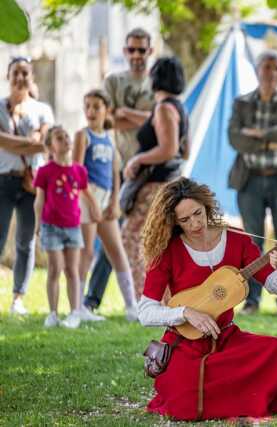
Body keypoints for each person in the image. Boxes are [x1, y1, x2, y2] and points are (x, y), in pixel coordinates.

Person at [138, 177, 277, 420]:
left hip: (227, 339)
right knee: (185, 404)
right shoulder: (168, 250)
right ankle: (236, 397)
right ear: (174, 222)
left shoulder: (237, 239)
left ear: (206, 206)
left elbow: (276, 287)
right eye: (185, 220)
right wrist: (185, 313)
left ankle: (228, 396)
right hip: (185, 343)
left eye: (198, 213)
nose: (195, 223)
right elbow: (145, 311)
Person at [84, 27, 155, 312]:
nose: (136, 55)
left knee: (142, 235)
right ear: (125, 51)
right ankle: (92, 299)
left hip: (149, 168)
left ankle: (145, 299)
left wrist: (128, 114)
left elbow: (160, 120)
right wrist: (141, 118)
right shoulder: (113, 81)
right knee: (112, 231)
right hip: (117, 166)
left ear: (150, 51)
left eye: (142, 49)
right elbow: (105, 119)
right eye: (132, 49)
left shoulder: (156, 83)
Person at [228, 49, 277, 318]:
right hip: (249, 181)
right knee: (251, 243)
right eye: (266, 67)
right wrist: (272, 140)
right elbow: (235, 138)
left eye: (275, 68)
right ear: (258, 70)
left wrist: (256, 135)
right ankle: (252, 300)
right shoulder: (242, 102)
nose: (270, 73)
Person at [121, 56, 189, 299]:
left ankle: (148, 298)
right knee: (162, 244)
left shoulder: (164, 109)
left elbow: (169, 148)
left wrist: (137, 159)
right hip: (171, 182)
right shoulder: (178, 108)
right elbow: (185, 150)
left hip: (156, 186)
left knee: (131, 237)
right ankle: (167, 299)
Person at [72, 89, 137, 321]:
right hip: (88, 196)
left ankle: (132, 307)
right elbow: (77, 173)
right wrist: (92, 203)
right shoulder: (83, 135)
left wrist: (114, 202)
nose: (91, 111)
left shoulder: (110, 137)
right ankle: (78, 307)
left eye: (96, 107)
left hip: (107, 199)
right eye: (87, 106)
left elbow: (115, 171)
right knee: (87, 251)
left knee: (117, 251)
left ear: (106, 110)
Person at [0, 56, 54, 315]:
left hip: (32, 182)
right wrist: (29, 142)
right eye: (16, 72)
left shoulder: (43, 109)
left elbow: (45, 144)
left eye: (25, 73)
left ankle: (18, 298)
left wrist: (10, 142)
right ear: (7, 76)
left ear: (31, 77)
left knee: (26, 241)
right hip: (3, 179)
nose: (20, 77)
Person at [34, 126, 101, 328]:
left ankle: (74, 313)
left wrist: (95, 207)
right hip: (51, 227)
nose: (65, 140)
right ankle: (53, 314)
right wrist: (38, 224)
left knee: (72, 270)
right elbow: (39, 200)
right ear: (50, 146)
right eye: (59, 138)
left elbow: (86, 192)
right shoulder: (45, 171)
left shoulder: (79, 170)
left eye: (66, 137)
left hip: (73, 227)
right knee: (55, 268)